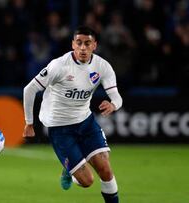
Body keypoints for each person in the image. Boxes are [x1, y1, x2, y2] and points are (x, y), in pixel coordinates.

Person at [22, 26, 122, 203]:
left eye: (87, 43)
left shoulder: (102, 66)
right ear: (73, 45)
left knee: (106, 169)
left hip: (85, 121)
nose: (83, 47)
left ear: (94, 45)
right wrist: (29, 123)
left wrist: (113, 104)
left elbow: (117, 97)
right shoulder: (58, 66)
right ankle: (69, 170)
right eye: (79, 43)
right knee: (87, 181)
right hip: (60, 128)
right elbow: (29, 89)